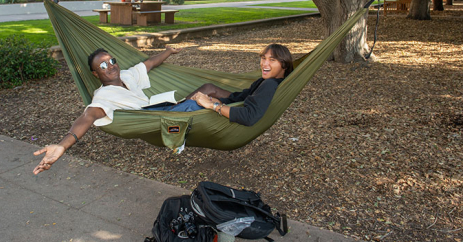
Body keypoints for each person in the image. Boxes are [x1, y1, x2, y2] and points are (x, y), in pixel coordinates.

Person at [33, 46, 182, 175]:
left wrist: (168, 51)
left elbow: (149, 64)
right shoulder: (103, 96)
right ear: (95, 74)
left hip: (164, 108)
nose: (110, 66)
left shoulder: (126, 75)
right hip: (156, 119)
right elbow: (88, 116)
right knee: (202, 95)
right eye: (103, 66)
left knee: (206, 89)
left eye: (111, 61)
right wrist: (62, 145)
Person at [154, 44, 293, 126]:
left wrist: (213, 106)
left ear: (284, 65)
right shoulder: (265, 81)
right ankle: (155, 112)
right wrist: (218, 100)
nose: (264, 64)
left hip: (229, 117)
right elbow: (241, 97)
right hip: (232, 106)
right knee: (202, 94)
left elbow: (249, 117)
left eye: (272, 60)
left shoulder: (269, 84)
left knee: (180, 108)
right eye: (263, 58)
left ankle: (147, 115)